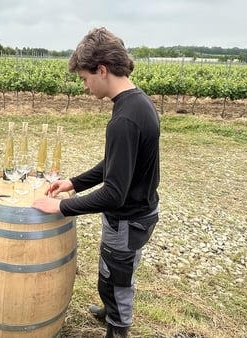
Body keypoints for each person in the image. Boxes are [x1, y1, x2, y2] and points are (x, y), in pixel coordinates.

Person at [32, 27, 160, 338]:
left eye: (85, 78)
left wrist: (62, 207)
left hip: (127, 218)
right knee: (110, 271)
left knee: (118, 279)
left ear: (101, 70)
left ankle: (117, 328)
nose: (85, 86)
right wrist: (73, 182)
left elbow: (114, 194)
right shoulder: (136, 103)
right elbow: (115, 165)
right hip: (137, 213)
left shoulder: (124, 120)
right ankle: (107, 310)